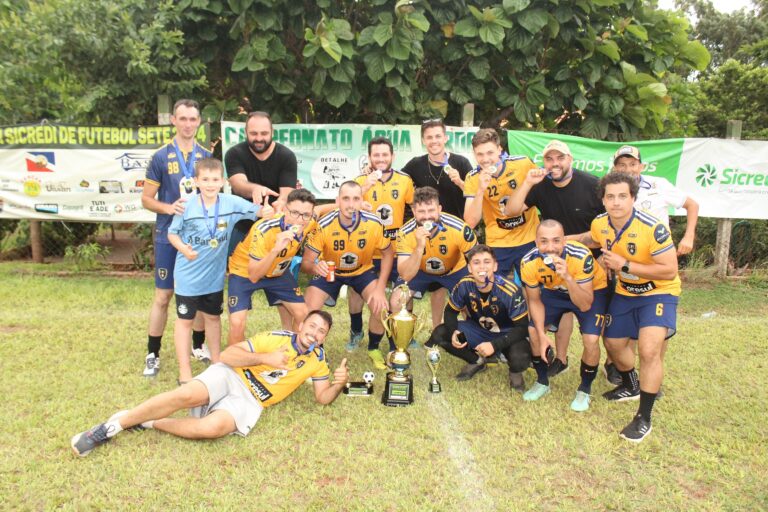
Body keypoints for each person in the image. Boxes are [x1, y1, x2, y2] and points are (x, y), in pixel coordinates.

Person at [71, 311, 349, 457]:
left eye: (321, 331)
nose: (314, 333)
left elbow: (322, 398)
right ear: (301, 326)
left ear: (324, 338)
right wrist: (266, 358)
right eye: (311, 326)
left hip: (250, 400)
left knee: (212, 429)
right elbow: (227, 356)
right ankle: (111, 427)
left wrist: (338, 384)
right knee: (187, 394)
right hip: (231, 374)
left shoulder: (318, 360)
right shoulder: (275, 337)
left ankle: (147, 422)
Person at [586, 171, 681, 442]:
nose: (616, 202)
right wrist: (559, 241)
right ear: (603, 200)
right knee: (613, 344)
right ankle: (631, 385)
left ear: (633, 198)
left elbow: (669, 270)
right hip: (626, 293)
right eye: (610, 197)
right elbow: (592, 239)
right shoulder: (600, 224)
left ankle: (644, 417)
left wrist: (624, 265)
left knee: (649, 350)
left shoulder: (653, 228)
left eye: (622, 196)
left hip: (658, 293)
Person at [504, 139, 606, 379]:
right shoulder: (541, 186)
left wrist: (603, 256)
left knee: (598, 325)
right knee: (562, 312)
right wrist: (528, 182)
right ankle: (560, 359)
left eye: (560, 158)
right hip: (553, 255)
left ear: (570, 159)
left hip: (592, 259)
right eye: (549, 159)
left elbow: (608, 226)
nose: (554, 163)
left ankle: (611, 366)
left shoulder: (592, 185)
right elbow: (511, 210)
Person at [167, 158, 271, 384]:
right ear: (196, 181)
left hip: (213, 279)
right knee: (185, 321)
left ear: (223, 181)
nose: (210, 184)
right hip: (187, 278)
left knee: (213, 319)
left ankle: (216, 364)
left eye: (215, 179)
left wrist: (268, 208)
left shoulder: (230, 203)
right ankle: (185, 372)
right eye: (205, 179)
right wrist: (184, 249)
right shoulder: (185, 206)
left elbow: (259, 212)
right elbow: (171, 234)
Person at [140, 99, 212, 378]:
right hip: (167, 235)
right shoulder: (160, 156)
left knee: (202, 291)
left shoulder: (206, 157)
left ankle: (198, 346)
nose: (188, 124)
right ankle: (152, 353)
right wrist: (168, 208)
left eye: (193, 119)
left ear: (199, 122)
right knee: (164, 295)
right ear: (173, 120)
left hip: (199, 235)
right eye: (183, 119)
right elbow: (146, 199)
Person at [301, 181, 394, 370]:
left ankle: (373, 348)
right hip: (331, 270)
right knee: (308, 308)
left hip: (362, 271)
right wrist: (315, 267)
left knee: (381, 306)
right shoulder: (323, 225)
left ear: (362, 202)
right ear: (338, 201)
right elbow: (306, 263)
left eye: (356, 199)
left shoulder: (374, 223)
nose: (351, 204)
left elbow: (388, 253)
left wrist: (381, 288)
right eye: (346, 199)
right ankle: (315, 352)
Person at [519, 220, 609, 412]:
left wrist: (568, 276)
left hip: (589, 291)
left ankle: (584, 388)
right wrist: (542, 336)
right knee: (534, 331)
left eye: (556, 241)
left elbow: (585, 304)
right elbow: (534, 301)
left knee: (591, 340)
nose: (550, 247)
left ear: (564, 242)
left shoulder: (580, 256)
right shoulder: (528, 261)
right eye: (544, 241)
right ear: (536, 243)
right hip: (555, 291)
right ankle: (542, 382)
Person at [401, 118, 474, 331]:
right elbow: (398, 181)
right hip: (427, 233)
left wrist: (459, 181)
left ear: (445, 137)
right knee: (436, 286)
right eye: (429, 137)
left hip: (455, 234)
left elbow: (475, 196)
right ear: (423, 140)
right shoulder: (415, 164)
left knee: (461, 285)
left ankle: (473, 331)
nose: (434, 141)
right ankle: (436, 329)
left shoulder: (461, 163)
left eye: (438, 136)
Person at [425, 245, 531, 389]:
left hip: (506, 333)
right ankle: (477, 361)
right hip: (478, 330)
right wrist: (453, 331)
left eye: (487, 262)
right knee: (441, 333)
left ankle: (515, 372)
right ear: (469, 267)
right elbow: (450, 312)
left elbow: (522, 328)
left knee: (520, 358)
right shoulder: (464, 284)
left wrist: (494, 345)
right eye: (476, 262)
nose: (482, 267)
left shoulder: (509, 291)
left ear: (495, 266)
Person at [345, 137, 414, 351]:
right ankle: (356, 331)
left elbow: (413, 211)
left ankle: (405, 334)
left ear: (392, 156)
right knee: (356, 292)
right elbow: (346, 211)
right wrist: (364, 187)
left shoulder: (405, 180)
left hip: (396, 250)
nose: (381, 159)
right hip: (367, 250)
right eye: (376, 155)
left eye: (385, 155)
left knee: (403, 292)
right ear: (370, 157)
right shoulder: (359, 181)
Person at [226, 189, 319, 344]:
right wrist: (276, 248)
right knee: (237, 323)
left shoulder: (309, 223)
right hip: (245, 270)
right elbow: (254, 275)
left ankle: (294, 354)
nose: (299, 220)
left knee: (303, 314)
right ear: (284, 210)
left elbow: (322, 210)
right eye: (294, 213)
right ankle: (235, 363)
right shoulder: (264, 229)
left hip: (278, 271)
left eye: (305, 215)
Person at [391, 186, 477, 329]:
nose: (426, 216)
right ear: (413, 211)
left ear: (439, 209)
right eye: (421, 211)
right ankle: (400, 343)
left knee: (472, 302)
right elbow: (405, 275)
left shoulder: (459, 228)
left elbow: (477, 261)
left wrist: (472, 289)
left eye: (431, 210)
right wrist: (419, 247)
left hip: (455, 269)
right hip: (420, 270)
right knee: (396, 300)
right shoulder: (405, 232)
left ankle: (474, 338)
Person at [463, 129, 539, 281]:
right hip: (498, 242)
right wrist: (480, 190)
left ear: (499, 149)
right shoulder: (473, 178)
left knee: (532, 288)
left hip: (529, 238)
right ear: (474, 154)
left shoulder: (522, 163)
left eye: (490, 153)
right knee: (492, 288)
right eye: (480, 154)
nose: (485, 159)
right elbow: (470, 222)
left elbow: (542, 193)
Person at [612, 145, 699, 255]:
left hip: (659, 251)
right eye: (622, 165)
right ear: (615, 169)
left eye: (632, 164)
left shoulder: (659, 184)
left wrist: (689, 237)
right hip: (624, 253)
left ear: (641, 166)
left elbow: (692, 205)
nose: (628, 169)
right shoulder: (610, 190)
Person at [224, 111, 297, 206]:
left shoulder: (287, 156)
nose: (259, 138)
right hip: (243, 216)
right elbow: (238, 184)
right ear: (246, 132)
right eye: (254, 133)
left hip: (274, 215)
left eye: (264, 133)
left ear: (272, 132)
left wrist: (278, 207)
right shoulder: (234, 153)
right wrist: (255, 189)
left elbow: (285, 196)